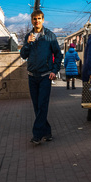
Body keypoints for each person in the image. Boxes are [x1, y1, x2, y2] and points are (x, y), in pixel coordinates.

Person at [20, 10, 62, 145]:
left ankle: (37, 135)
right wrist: (27, 43)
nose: (36, 21)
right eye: (34, 19)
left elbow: (58, 54)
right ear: (31, 20)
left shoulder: (50, 36)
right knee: (37, 106)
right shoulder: (29, 36)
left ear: (43, 20)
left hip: (45, 76)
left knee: (42, 105)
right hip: (32, 76)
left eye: (39, 18)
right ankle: (47, 132)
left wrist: (54, 70)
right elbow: (23, 55)